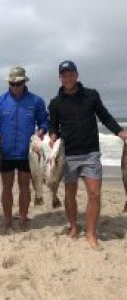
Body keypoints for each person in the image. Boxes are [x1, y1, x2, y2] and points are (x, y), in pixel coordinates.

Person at [48, 60, 127, 248]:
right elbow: (54, 128)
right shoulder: (55, 103)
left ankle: (91, 233)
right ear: (60, 77)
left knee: (94, 193)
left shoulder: (91, 95)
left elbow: (104, 116)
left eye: (70, 74)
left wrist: (119, 131)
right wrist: (52, 137)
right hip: (67, 155)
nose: (67, 78)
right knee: (70, 194)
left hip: (91, 152)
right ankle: (74, 226)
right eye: (64, 75)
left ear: (77, 74)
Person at [0, 65, 48, 230]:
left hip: (27, 153)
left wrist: (40, 134)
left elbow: (44, 122)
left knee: (24, 186)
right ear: (8, 84)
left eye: (18, 83)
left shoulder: (36, 101)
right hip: (4, 153)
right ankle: (7, 218)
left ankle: (22, 216)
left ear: (24, 82)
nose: (15, 87)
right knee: (6, 187)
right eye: (12, 84)